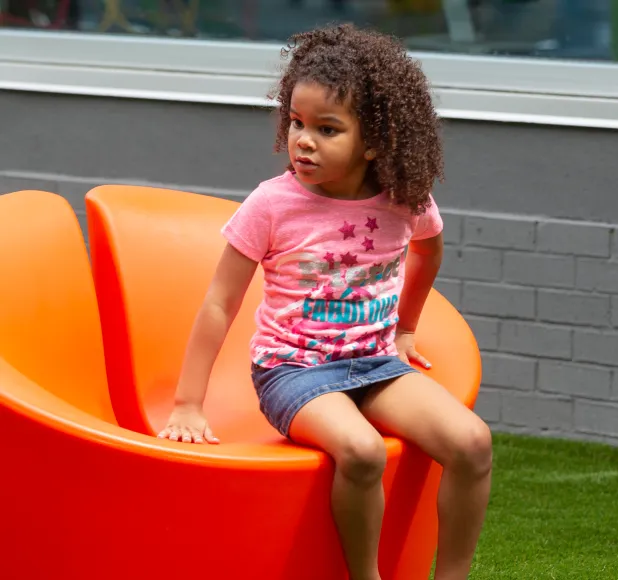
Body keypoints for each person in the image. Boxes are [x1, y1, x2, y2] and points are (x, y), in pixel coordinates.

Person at [156, 23, 492, 580]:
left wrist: (405, 329)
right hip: (292, 372)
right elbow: (219, 303)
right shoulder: (272, 205)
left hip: (375, 365)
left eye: (327, 128)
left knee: (473, 442)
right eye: (296, 122)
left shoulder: (404, 199)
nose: (303, 140)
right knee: (361, 451)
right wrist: (188, 403)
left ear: (375, 140)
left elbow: (428, 251)